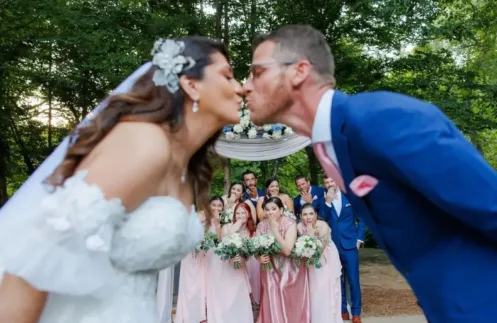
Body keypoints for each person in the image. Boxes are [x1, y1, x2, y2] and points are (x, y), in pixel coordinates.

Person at [243, 24, 497, 323]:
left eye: (256, 73)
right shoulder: (331, 146)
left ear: (299, 71)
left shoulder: (379, 119)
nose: (244, 85)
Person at [0, 36, 243, 323]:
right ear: (191, 84)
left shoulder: (185, 165)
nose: (240, 88)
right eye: (228, 76)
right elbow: (35, 260)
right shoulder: (145, 143)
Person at [256, 196, 310, 323]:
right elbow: (256, 248)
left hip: (289, 266)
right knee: (270, 291)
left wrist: (275, 230)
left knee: (283, 289)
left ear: (281, 210)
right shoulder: (261, 225)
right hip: (269, 265)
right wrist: (259, 257)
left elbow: (287, 250)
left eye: (273, 209)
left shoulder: (290, 224)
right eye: (267, 209)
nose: (270, 212)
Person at [320, 176, 365, 321]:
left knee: (353, 280)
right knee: (337, 279)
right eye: (326, 182)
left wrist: (359, 240)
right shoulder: (325, 200)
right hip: (333, 246)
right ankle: (342, 310)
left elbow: (362, 219)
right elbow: (322, 218)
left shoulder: (350, 197)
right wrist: (327, 201)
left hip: (350, 245)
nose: (329, 184)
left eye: (331, 181)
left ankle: (356, 312)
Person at [206, 202, 254, 323]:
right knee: (225, 294)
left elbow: (249, 254)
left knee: (238, 294)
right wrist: (235, 227)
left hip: (239, 266)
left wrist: (241, 258)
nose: (240, 215)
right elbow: (223, 241)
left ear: (248, 214)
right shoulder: (227, 226)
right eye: (237, 213)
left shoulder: (251, 231)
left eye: (243, 212)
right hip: (223, 265)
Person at [298, 203, 343, 323]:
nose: (308, 217)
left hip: (324, 260)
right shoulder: (299, 227)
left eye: (311, 214)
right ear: (301, 216)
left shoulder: (322, 225)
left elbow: (319, 249)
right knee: (313, 291)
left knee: (323, 288)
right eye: (305, 214)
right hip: (308, 261)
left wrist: (311, 232)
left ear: (316, 215)